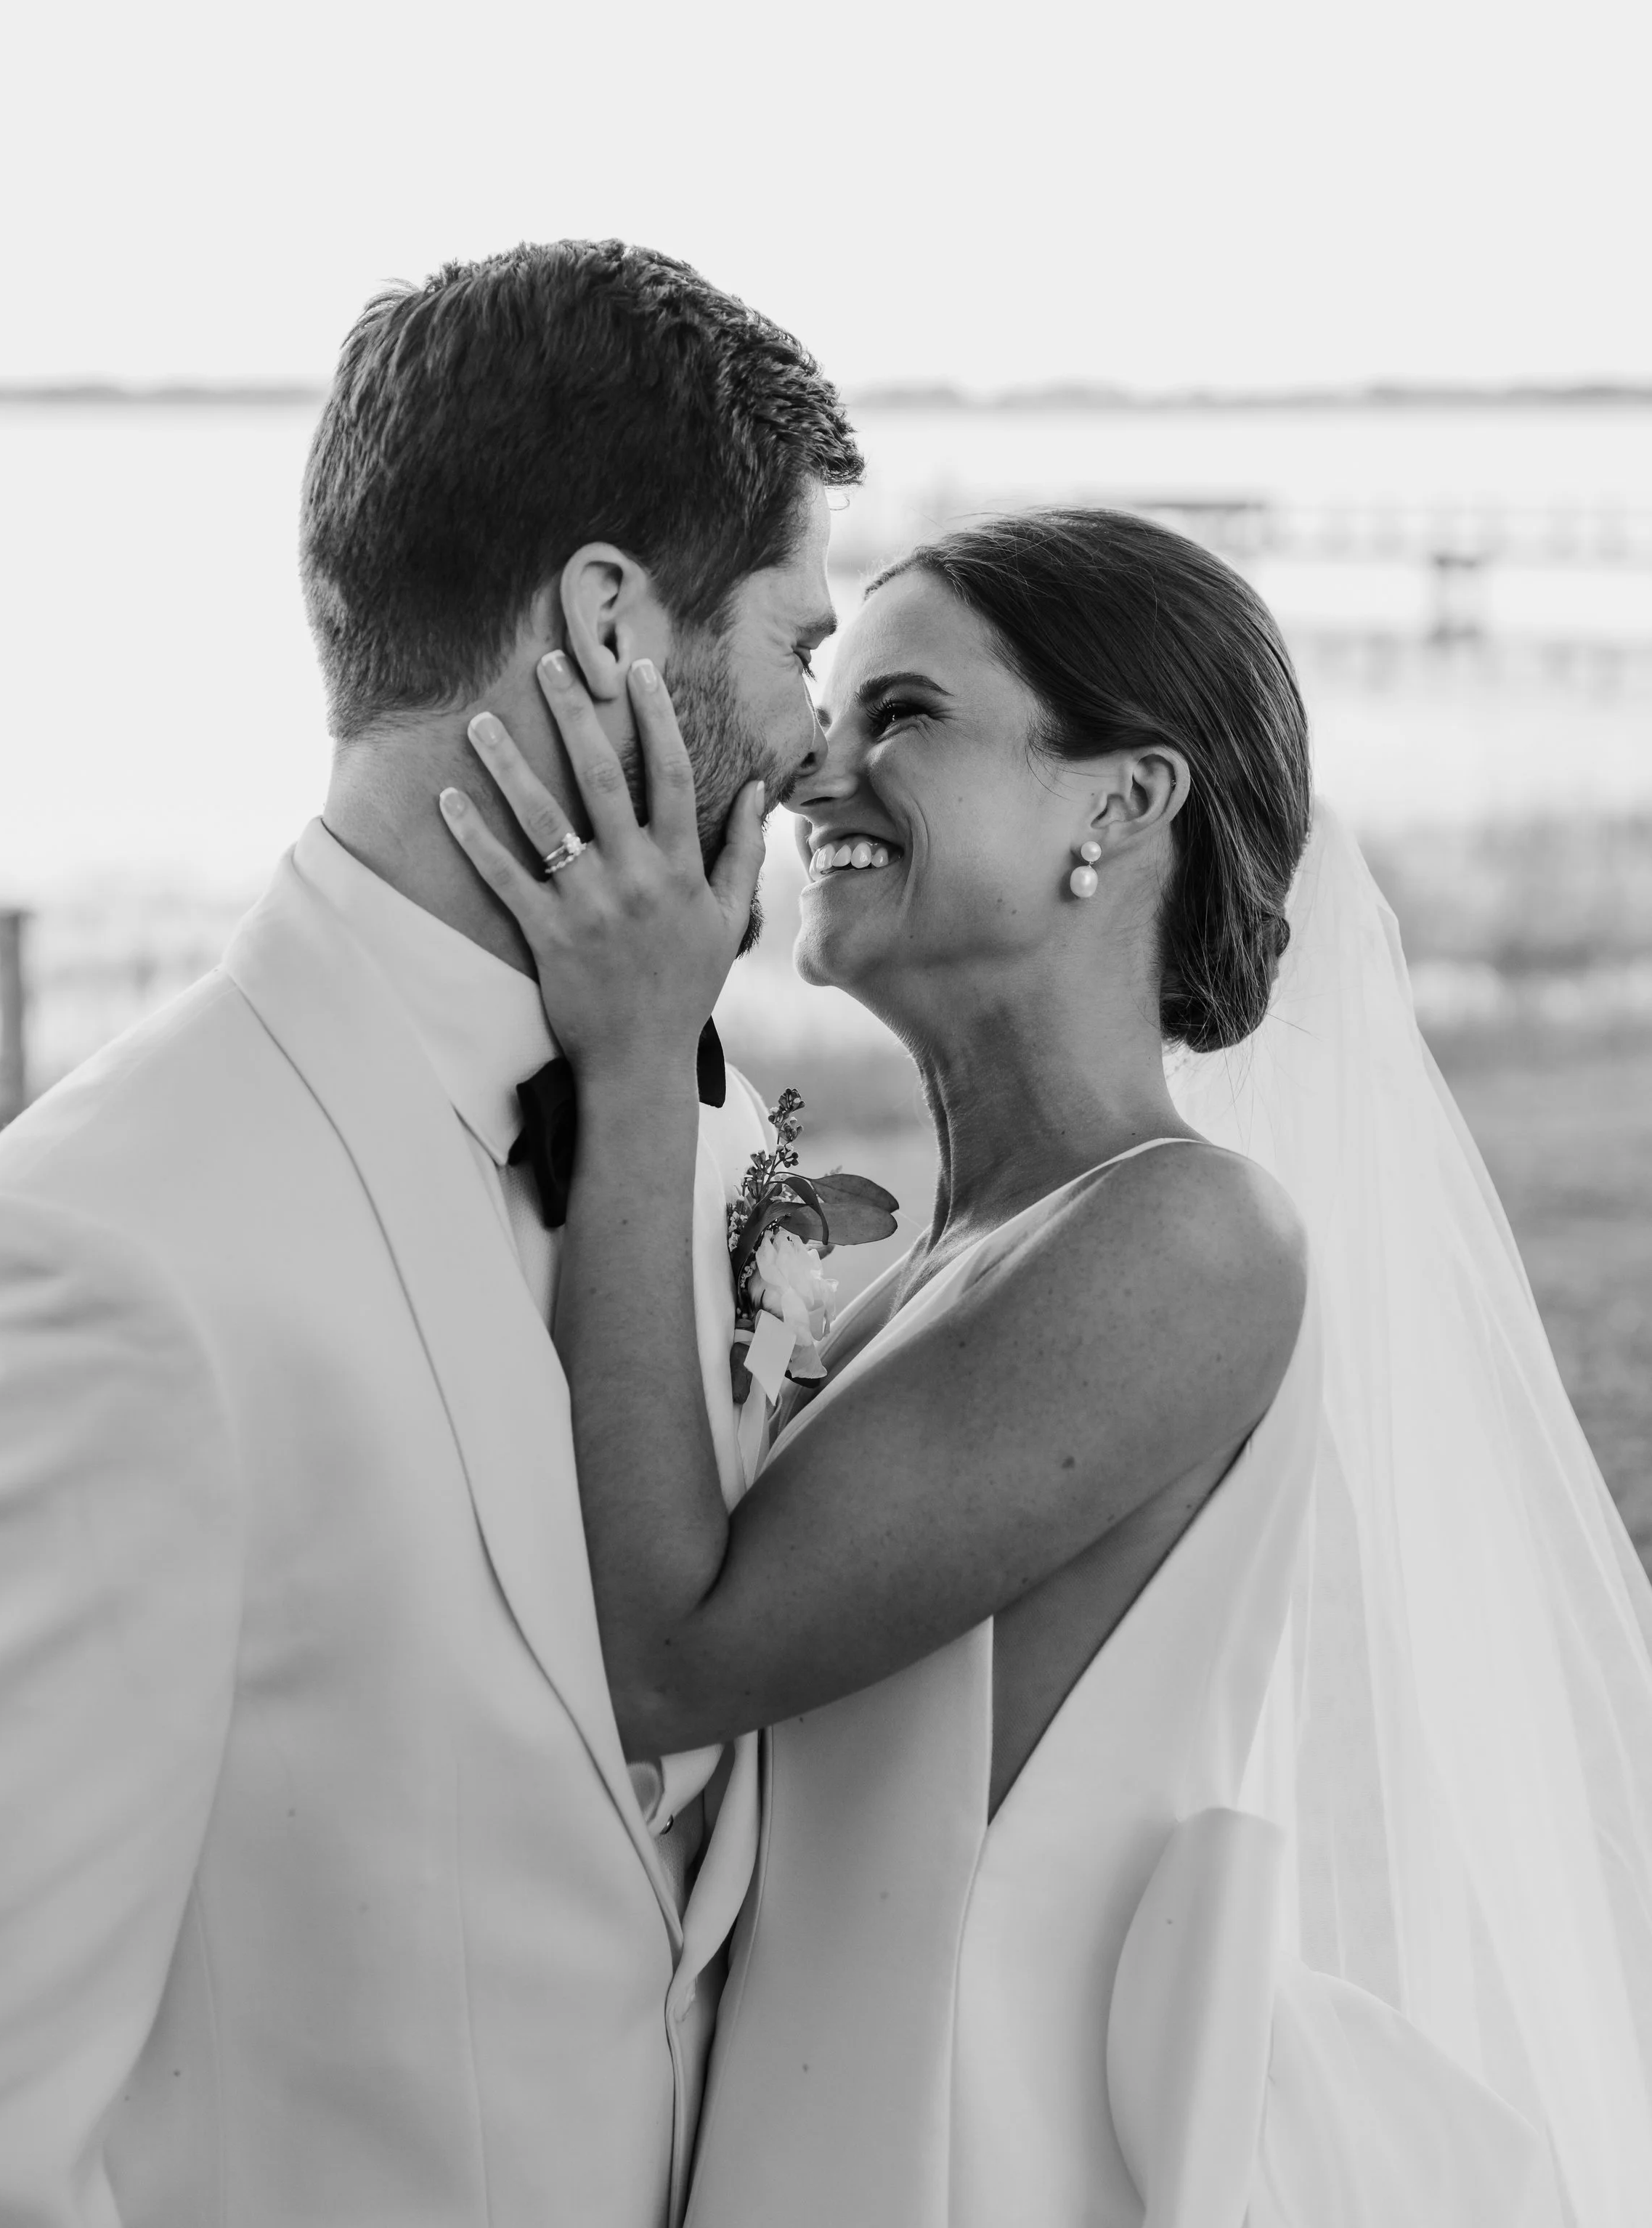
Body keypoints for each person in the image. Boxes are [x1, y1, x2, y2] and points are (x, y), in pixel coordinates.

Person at [444, 506, 1652, 2227]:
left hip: (970, 2161)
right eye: (831, 705)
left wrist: (637, 1053)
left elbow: (663, 1652)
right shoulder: (934, 1269)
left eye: (904, 716)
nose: (811, 772)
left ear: (1119, 799)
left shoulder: (1187, 1242)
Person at [0, 241, 861, 2227]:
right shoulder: (94, 1270)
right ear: (603, 620)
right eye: (793, 650)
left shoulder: (701, 1148)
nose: (815, 742)